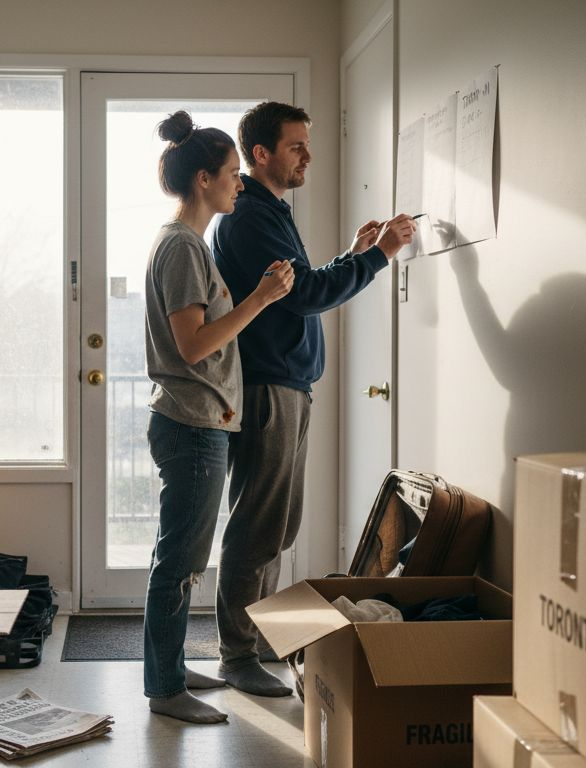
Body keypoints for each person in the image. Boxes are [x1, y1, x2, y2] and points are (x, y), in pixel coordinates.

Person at [211, 101, 417, 697]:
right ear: (261, 154)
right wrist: (377, 256)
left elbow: (300, 284)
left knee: (277, 525)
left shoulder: (270, 210)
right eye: (296, 145)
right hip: (268, 387)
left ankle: (252, 642)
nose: (309, 155)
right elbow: (303, 296)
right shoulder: (250, 216)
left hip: (287, 385)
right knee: (258, 526)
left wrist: (354, 255)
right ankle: (236, 655)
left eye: (307, 143)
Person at [141, 110, 295, 724]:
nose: (240, 182)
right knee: (179, 564)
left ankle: (172, 671)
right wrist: (261, 298)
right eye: (233, 172)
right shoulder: (182, 246)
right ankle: (164, 690)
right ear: (203, 179)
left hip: (200, 422)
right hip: (191, 426)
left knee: (182, 560)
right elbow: (193, 345)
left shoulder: (187, 243)